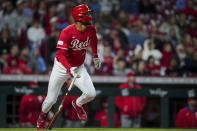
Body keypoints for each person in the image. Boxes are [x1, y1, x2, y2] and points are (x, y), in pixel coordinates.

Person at [36, 4, 101, 130]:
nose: (90, 15)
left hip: (78, 67)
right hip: (61, 67)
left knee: (91, 94)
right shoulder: (67, 32)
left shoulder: (91, 29)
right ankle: (42, 117)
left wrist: (96, 55)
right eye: (87, 13)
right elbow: (60, 55)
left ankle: (77, 104)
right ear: (80, 16)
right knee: (51, 100)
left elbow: (94, 40)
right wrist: (68, 69)